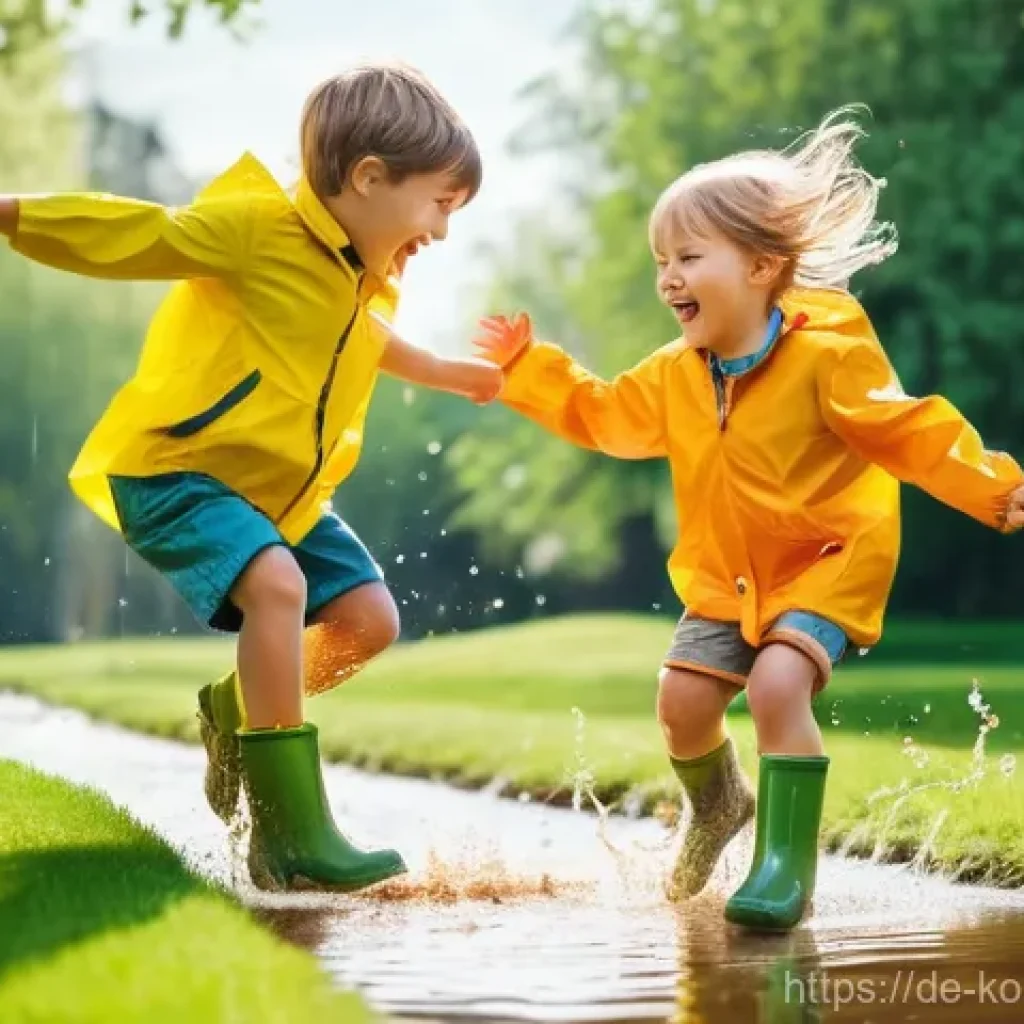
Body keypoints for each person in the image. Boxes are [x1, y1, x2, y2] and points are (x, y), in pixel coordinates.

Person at [472, 106, 1024, 930]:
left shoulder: (828, 358)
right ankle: (720, 806)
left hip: (827, 558)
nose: (668, 277)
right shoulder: (674, 374)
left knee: (775, 685)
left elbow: (906, 429)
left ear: (765, 266)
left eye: (689, 257)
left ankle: (782, 868)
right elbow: (605, 414)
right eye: (661, 260)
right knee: (680, 706)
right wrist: (530, 371)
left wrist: (990, 486)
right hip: (729, 574)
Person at [0, 62, 503, 893]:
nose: (442, 231)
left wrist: (453, 372)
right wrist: (13, 214)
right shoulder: (255, 230)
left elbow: (367, 340)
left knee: (370, 619)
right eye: (439, 204)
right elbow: (136, 233)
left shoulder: (360, 275)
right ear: (370, 178)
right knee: (276, 586)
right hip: (178, 470)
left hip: (280, 494)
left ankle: (235, 716)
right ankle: (289, 834)